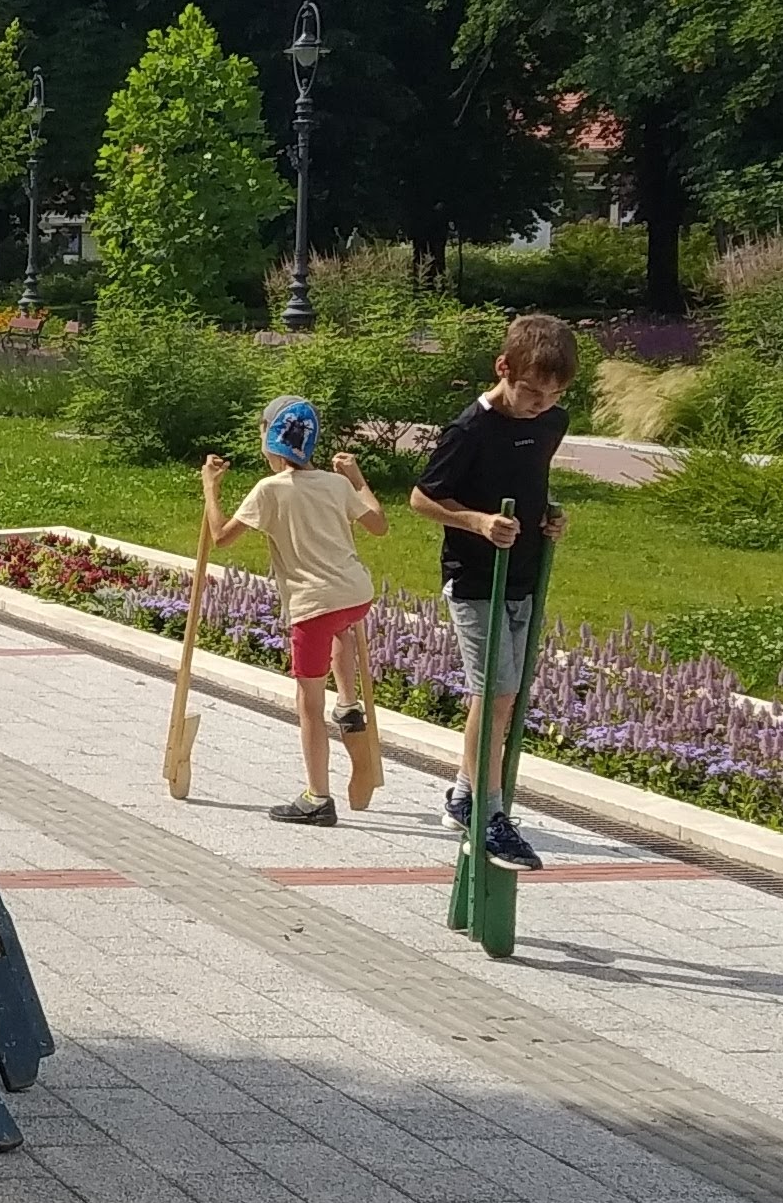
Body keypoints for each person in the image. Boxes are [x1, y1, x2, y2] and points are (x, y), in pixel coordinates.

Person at [408, 311, 578, 877]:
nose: (541, 405)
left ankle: (464, 794)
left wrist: (549, 515)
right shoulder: (469, 430)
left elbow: (528, 480)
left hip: (524, 576)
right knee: (498, 693)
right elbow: (422, 498)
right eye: (531, 392)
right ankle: (488, 811)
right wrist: (478, 522)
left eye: (554, 396)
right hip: (476, 578)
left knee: (506, 694)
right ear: (503, 368)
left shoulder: (551, 422)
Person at [204, 399, 388, 828]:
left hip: (312, 605)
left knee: (308, 701)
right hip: (356, 593)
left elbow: (220, 537)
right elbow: (379, 525)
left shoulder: (269, 490)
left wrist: (210, 488)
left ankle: (317, 797)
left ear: (268, 439)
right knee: (343, 627)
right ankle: (348, 703)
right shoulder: (335, 484)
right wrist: (357, 478)